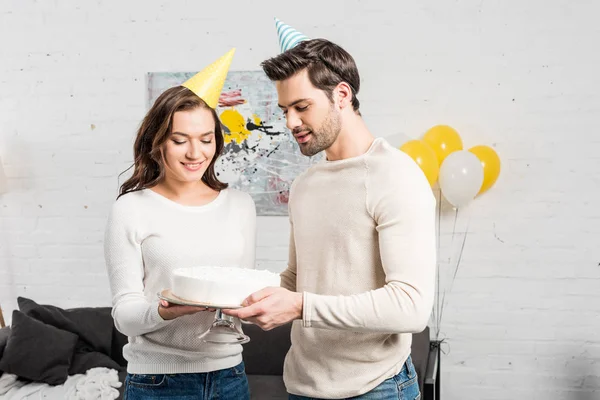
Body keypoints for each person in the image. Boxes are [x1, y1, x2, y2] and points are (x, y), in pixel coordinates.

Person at [224, 25, 436, 400]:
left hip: (377, 389)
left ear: (342, 95)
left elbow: (411, 306)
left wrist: (300, 305)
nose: (290, 123)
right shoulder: (307, 183)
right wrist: (237, 297)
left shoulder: (395, 176)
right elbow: (295, 278)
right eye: (285, 110)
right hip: (303, 386)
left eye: (302, 107)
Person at [104, 49, 255, 400]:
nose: (194, 153)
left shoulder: (240, 206)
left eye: (205, 139)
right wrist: (165, 310)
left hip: (230, 377)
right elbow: (124, 316)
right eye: (179, 140)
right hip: (157, 382)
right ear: (158, 143)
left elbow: (238, 298)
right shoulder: (131, 209)